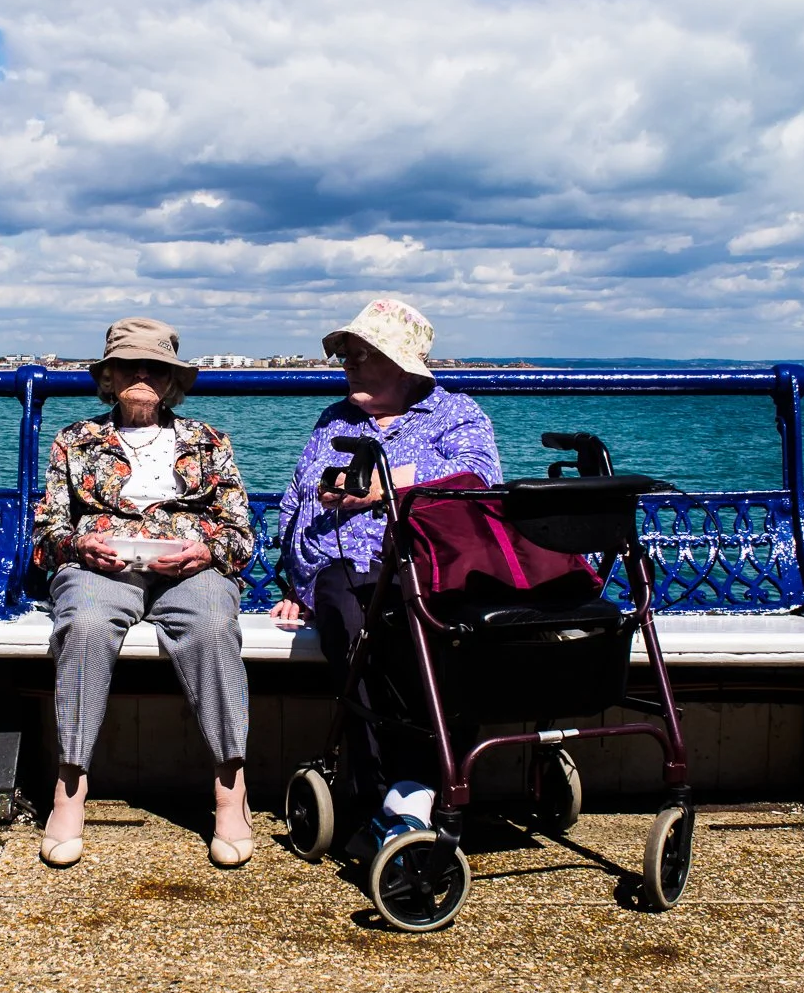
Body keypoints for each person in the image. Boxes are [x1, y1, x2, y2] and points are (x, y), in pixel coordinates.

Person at [32, 318, 257, 868]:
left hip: (190, 568)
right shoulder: (75, 440)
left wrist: (206, 551)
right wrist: (82, 545)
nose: (141, 375)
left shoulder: (208, 441)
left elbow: (241, 532)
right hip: (101, 569)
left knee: (212, 626)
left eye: (154, 366)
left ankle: (232, 789)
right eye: (128, 365)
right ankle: (70, 787)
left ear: (172, 379)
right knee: (83, 625)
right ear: (108, 376)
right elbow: (47, 532)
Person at [269, 298, 502, 807]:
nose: (348, 364)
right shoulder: (334, 420)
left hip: (421, 563)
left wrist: (381, 486)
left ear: (402, 365)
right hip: (335, 567)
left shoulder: (454, 413)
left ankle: (420, 786)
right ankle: (381, 793)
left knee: (417, 637)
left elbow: (480, 479)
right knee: (354, 628)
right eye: (346, 354)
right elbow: (296, 497)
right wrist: (292, 583)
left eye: (361, 354)